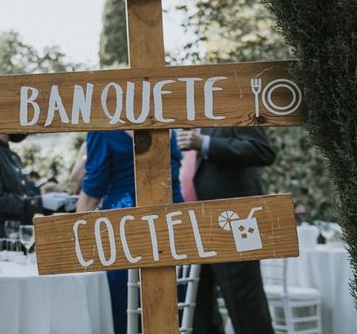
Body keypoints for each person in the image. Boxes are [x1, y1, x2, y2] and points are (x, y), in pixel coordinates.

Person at [77, 130, 183, 334]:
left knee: (123, 306)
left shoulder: (103, 129)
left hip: (124, 232)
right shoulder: (167, 124)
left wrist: (77, 237)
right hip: (172, 226)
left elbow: (93, 191)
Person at [177, 127, 276, 334]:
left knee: (245, 307)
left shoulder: (230, 110)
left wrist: (204, 143)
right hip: (193, 227)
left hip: (235, 223)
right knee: (200, 311)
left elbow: (262, 150)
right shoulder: (182, 121)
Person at [0, 108, 45, 256]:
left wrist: (43, 201)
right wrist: (35, 204)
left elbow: (20, 193)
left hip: (17, 234)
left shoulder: (12, 156)